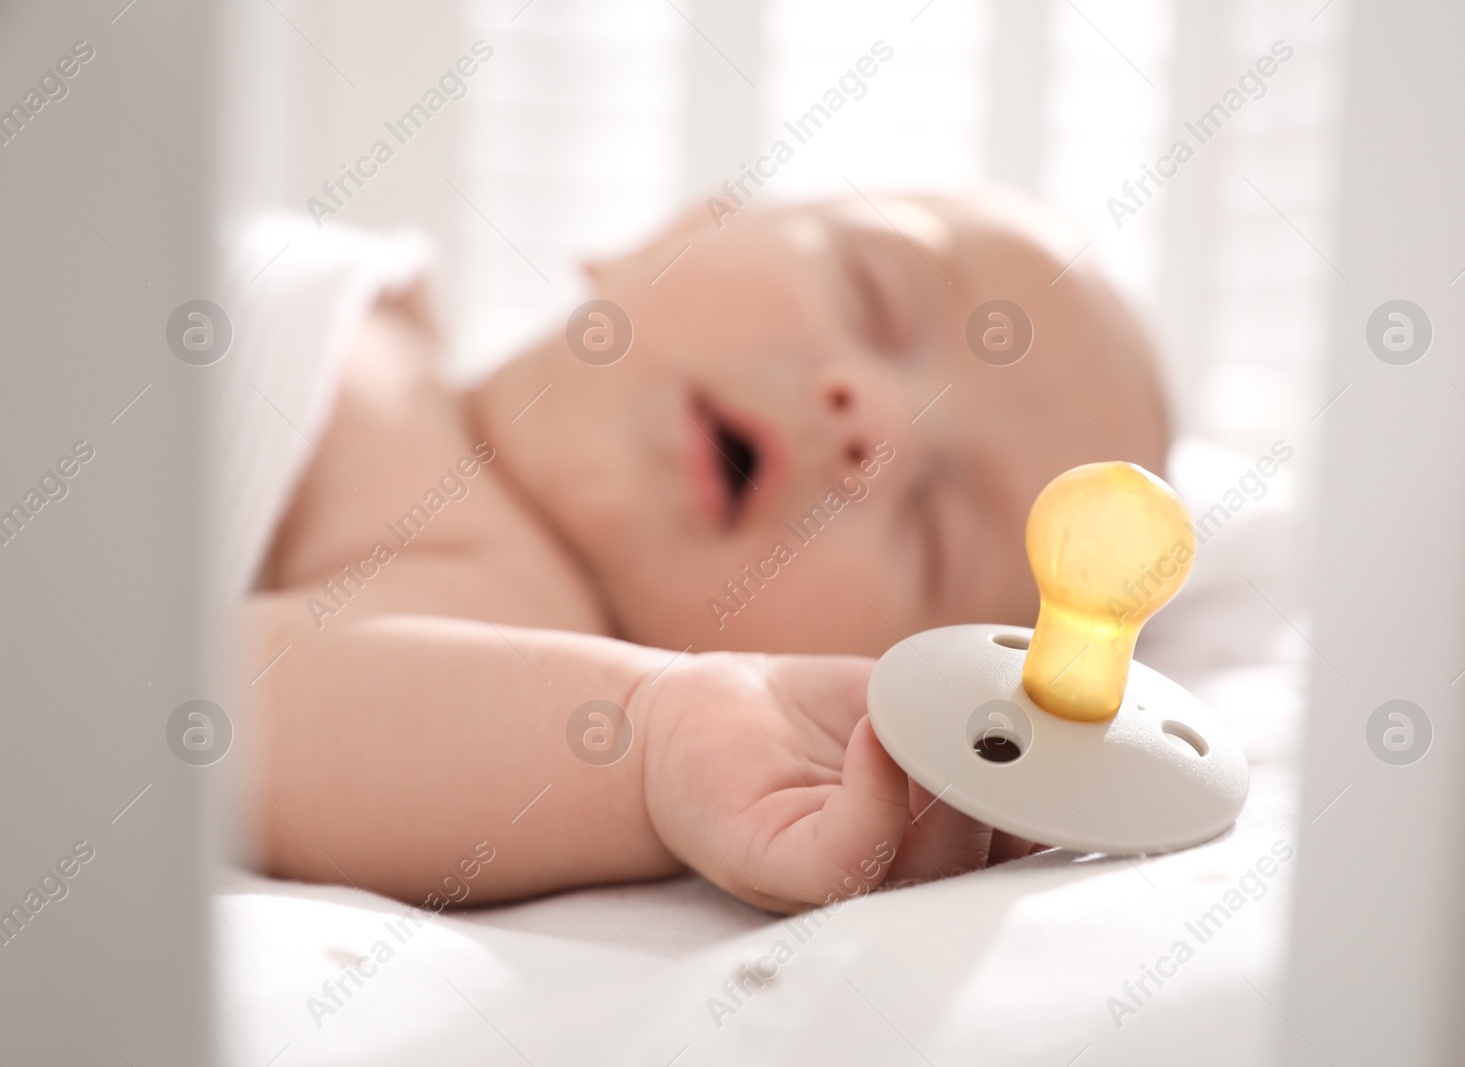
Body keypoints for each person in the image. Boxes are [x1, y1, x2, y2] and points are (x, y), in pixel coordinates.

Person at [239, 190, 1169, 914]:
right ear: (676, 229)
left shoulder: (494, 632)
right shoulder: (374, 304)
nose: (877, 428)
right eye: (876, 299)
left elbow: (223, 708)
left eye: (933, 526)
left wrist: (656, 736)